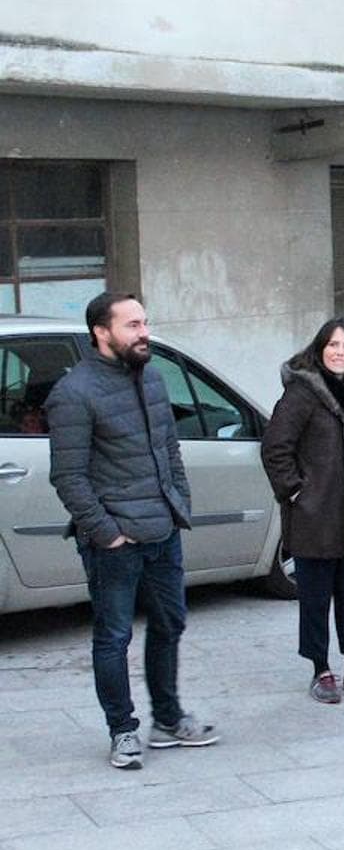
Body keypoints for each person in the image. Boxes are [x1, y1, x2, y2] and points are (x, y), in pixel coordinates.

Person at [46, 292, 217, 770]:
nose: (144, 333)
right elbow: (68, 477)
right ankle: (123, 730)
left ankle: (168, 720)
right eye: (132, 325)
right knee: (113, 637)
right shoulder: (74, 393)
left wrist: (178, 503)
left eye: (145, 323)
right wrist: (107, 533)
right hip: (114, 545)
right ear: (102, 332)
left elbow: (170, 449)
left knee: (170, 624)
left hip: (163, 532)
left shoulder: (154, 379)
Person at [261, 318, 344, 704]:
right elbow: (274, 449)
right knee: (316, 600)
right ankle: (321, 670)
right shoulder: (303, 394)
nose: (341, 352)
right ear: (320, 349)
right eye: (334, 345)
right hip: (315, 516)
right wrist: (298, 492)